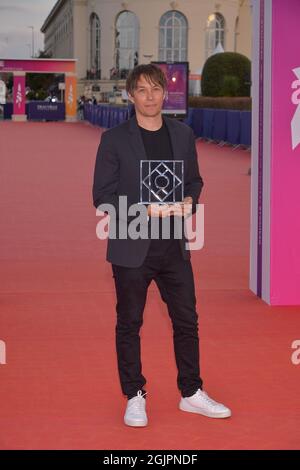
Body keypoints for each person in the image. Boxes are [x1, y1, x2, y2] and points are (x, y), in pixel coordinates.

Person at [92, 64, 231, 427]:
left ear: (164, 93)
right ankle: (134, 395)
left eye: (156, 89)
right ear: (130, 95)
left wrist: (188, 200)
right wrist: (144, 209)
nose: (150, 96)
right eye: (141, 90)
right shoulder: (114, 139)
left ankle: (191, 392)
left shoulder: (183, 134)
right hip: (131, 246)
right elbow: (102, 198)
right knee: (129, 322)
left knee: (187, 320)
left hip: (173, 245)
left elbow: (194, 180)